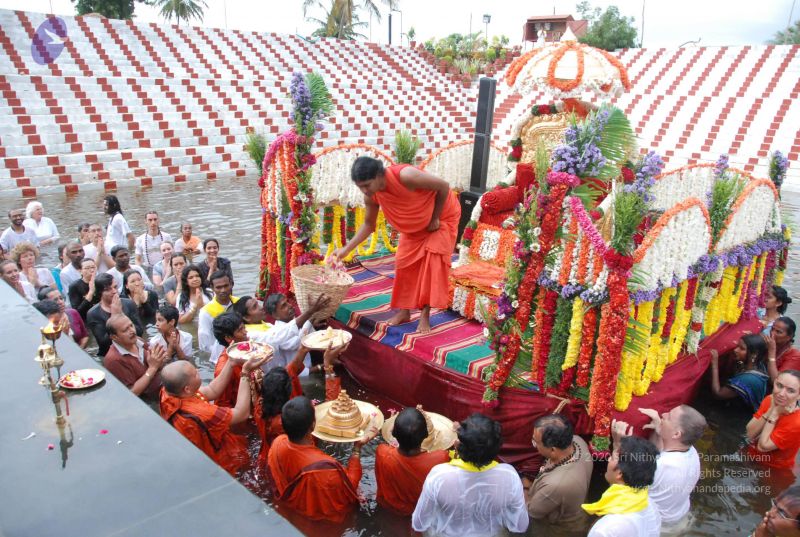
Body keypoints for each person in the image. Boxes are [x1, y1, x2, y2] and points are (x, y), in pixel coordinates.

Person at [332, 156, 461, 333]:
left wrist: (434, 218)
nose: (364, 190)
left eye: (367, 185)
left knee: (430, 265)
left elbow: (444, 186)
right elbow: (369, 224)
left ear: (379, 175)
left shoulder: (406, 176)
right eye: (360, 187)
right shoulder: (372, 195)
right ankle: (404, 312)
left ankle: (424, 316)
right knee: (403, 262)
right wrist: (346, 249)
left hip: (441, 218)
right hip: (415, 225)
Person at [412, 413, 529, 536]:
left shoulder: (439, 475)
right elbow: (520, 526)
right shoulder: (509, 476)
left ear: (457, 446)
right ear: (496, 448)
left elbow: (419, 523)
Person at [267, 396, 376, 523]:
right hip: (320, 524)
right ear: (313, 425)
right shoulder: (326, 470)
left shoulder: (277, 444)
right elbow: (351, 485)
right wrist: (356, 449)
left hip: (289, 515)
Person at [159, 353, 268, 476]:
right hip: (219, 460)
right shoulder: (202, 413)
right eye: (195, 374)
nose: (198, 371)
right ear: (187, 389)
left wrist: (230, 363)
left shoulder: (168, 393)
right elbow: (241, 413)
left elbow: (212, 390)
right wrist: (245, 373)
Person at [617, 405, 706, 528]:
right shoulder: (692, 451)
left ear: (676, 434)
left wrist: (619, 444)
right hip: (679, 516)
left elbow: (620, 483)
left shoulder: (661, 465)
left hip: (655, 525)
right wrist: (660, 431)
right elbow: (659, 451)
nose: (663, 414)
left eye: (669, 417)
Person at [375, 407, 451, 516]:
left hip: (389, 509)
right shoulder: (440, 458)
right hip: (420, 513)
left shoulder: (382, 452)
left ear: (394, 433)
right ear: (426, 435)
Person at [524, 414, 593, 530]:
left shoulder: (555, 485)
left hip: (561, 530)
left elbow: (531, 512)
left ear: (553, 450)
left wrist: (525, 487)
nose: (534, 445)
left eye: (535, 442)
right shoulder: (578, 441)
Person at [583, 435, 661, 536]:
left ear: (619, 473)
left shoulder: (605, 530)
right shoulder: (649, 505)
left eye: (613, 457)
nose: (608, 459)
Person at [103, 314, 167, 400]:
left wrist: (159, 359)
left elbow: (158, 365)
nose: (132, 331)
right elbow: (131, 393)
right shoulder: (113, 360)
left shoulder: (138, 341)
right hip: (148, 401)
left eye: (131, 325)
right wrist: (152, 368)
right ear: (114, 337)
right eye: (125, 330)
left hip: (163, 388)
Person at [746, 369, 800, 470]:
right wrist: (771, 409)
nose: (781, 394)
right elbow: (749, 433)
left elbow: (762, 447)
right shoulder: (770, 399)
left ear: (799, 395)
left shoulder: (797, 422)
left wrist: (774, 414)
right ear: (774, 382)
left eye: (791, 391)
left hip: (774, 470)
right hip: (750, 455)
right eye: (779, 385)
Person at [262, 292, 329, 372]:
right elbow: (296, 343)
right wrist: (310, 317)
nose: (290, 306)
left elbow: (315, 339)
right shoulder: (277, 332)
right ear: (275, 315)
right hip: (298, 375)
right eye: (284, 306)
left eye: (288, 302)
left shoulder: (298, 321)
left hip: (308, 367)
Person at [86, 273, 144, 356]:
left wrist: (121, 314)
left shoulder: (129, 304)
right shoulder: (93, 313)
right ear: (100, 292)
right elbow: (104, 343)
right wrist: (114, 316)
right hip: (111, 354)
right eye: (108, 289)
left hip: (133, 349)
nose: (114, 291)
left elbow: (139, 331)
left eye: (115, 287)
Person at [710, 334, 770, 411]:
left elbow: (718, 394)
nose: (735, 350)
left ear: (754, 354)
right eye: (737, 346)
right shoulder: (756, 363)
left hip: (735, 413)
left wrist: (714, 365)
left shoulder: (749, 379)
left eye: (742, 348)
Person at [210, 312, 249, 409]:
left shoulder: (246, 350)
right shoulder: (223, 368)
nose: (245, 332)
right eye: (240, 330)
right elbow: (223, 406)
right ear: (228, 338)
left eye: (244, 327)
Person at [197, 271, 238, 363]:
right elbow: (205, 345)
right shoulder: (205, 312)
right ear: (212, 288)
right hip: (219, 356)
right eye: (218, 287)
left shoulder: (239, 303)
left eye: (226, 286)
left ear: (232, 284)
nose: (223, 290)